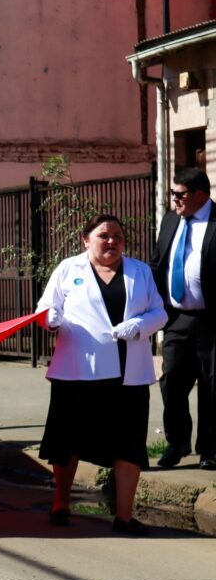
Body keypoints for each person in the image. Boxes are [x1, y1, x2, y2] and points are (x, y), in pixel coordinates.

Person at [37, 214, 167, 536]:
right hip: (78, 371)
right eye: (103, 235)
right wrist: (50, 318)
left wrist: (139, 326)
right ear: (86, 239)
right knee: (68, 441)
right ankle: (61, 501)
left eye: (118, 236)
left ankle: (125, 516)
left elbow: (160, 312)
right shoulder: (69, 269)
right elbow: (45, 309)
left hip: (128, 374)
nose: (111, 241)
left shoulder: (140, 272)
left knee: (128, 445)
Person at [152, 167, 216, 470]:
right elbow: (158, 263)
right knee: (172, 381)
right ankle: (176, 443)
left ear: (201, 195)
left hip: (211, 319)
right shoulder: (170, 221)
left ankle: (210, 449)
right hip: (177, 317)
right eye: (172, 194)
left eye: (180, 194)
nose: (174, 200)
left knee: (211, 384)